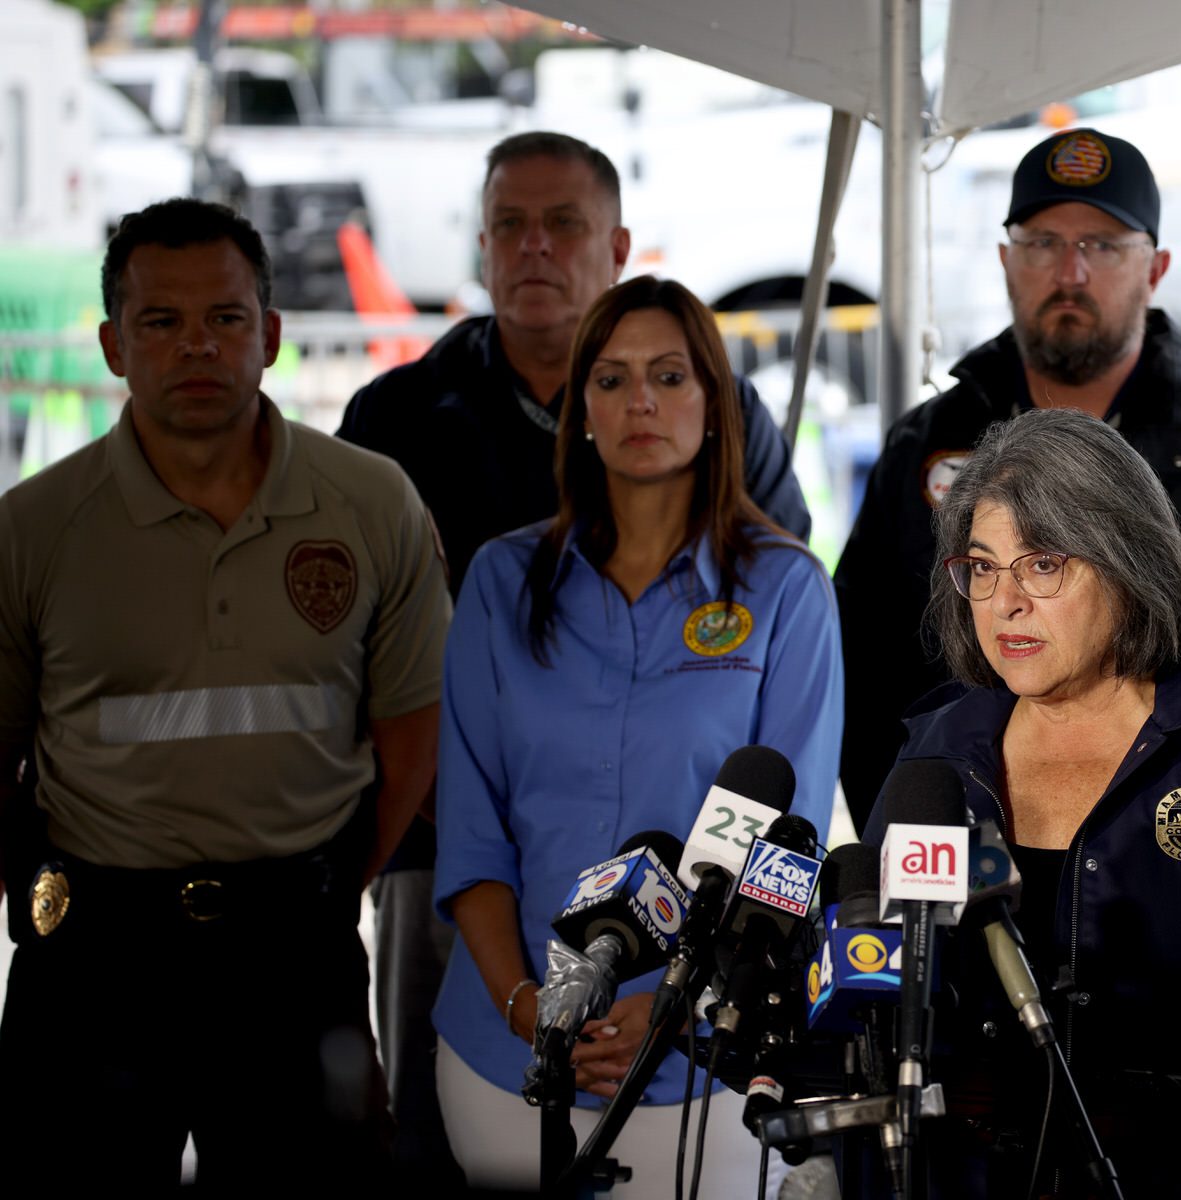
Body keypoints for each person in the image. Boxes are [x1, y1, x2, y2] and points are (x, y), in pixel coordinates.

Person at [336, 130, 810, 1179]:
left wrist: (670, 999)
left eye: (563, 224)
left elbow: (770, 690)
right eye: (510, 224)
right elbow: (359, 652)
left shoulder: (765, 532)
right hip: (452, 857)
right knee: (427, 1133)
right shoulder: (401, 418)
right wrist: (516, 990)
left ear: (618, 244)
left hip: (693, 954)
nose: (534, 248)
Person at [0, 199, 450, 1188]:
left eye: (226, 318)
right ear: (114, 345)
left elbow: (411, 734)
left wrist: (328, 887)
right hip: (93, 963)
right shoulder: (34, 529)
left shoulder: (370, 505)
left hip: (295, 951)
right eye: (161, 322)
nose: (196, 345)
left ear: (272, 336)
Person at [859, 408, 1181, 1198]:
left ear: (1129, 564)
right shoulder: (935, 758)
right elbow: (877, 1005)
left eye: (1042, 565)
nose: (1004, 602)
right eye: (982, 568)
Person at [432, 275, 841, 1192]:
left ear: (716, 404)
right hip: (506, 1061)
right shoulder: (501, 582)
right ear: (579, 410)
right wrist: (527, 1007)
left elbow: (788, 849)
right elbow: (470, 833)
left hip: (706, 1074)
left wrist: (666, 1003)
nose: (640, 401)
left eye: (668, 375)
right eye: (610, 381)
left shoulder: (785, 592)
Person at [836, 127, 1181, 832]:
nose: (1070, 273)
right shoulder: (924, 445)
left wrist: (1130, 822)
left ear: (1155, 268)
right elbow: (866, 662)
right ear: (1005, 261)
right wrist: (915, 826)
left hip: (1161, 850)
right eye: (1042, 244)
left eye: (1101, 246)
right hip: (953, 846)